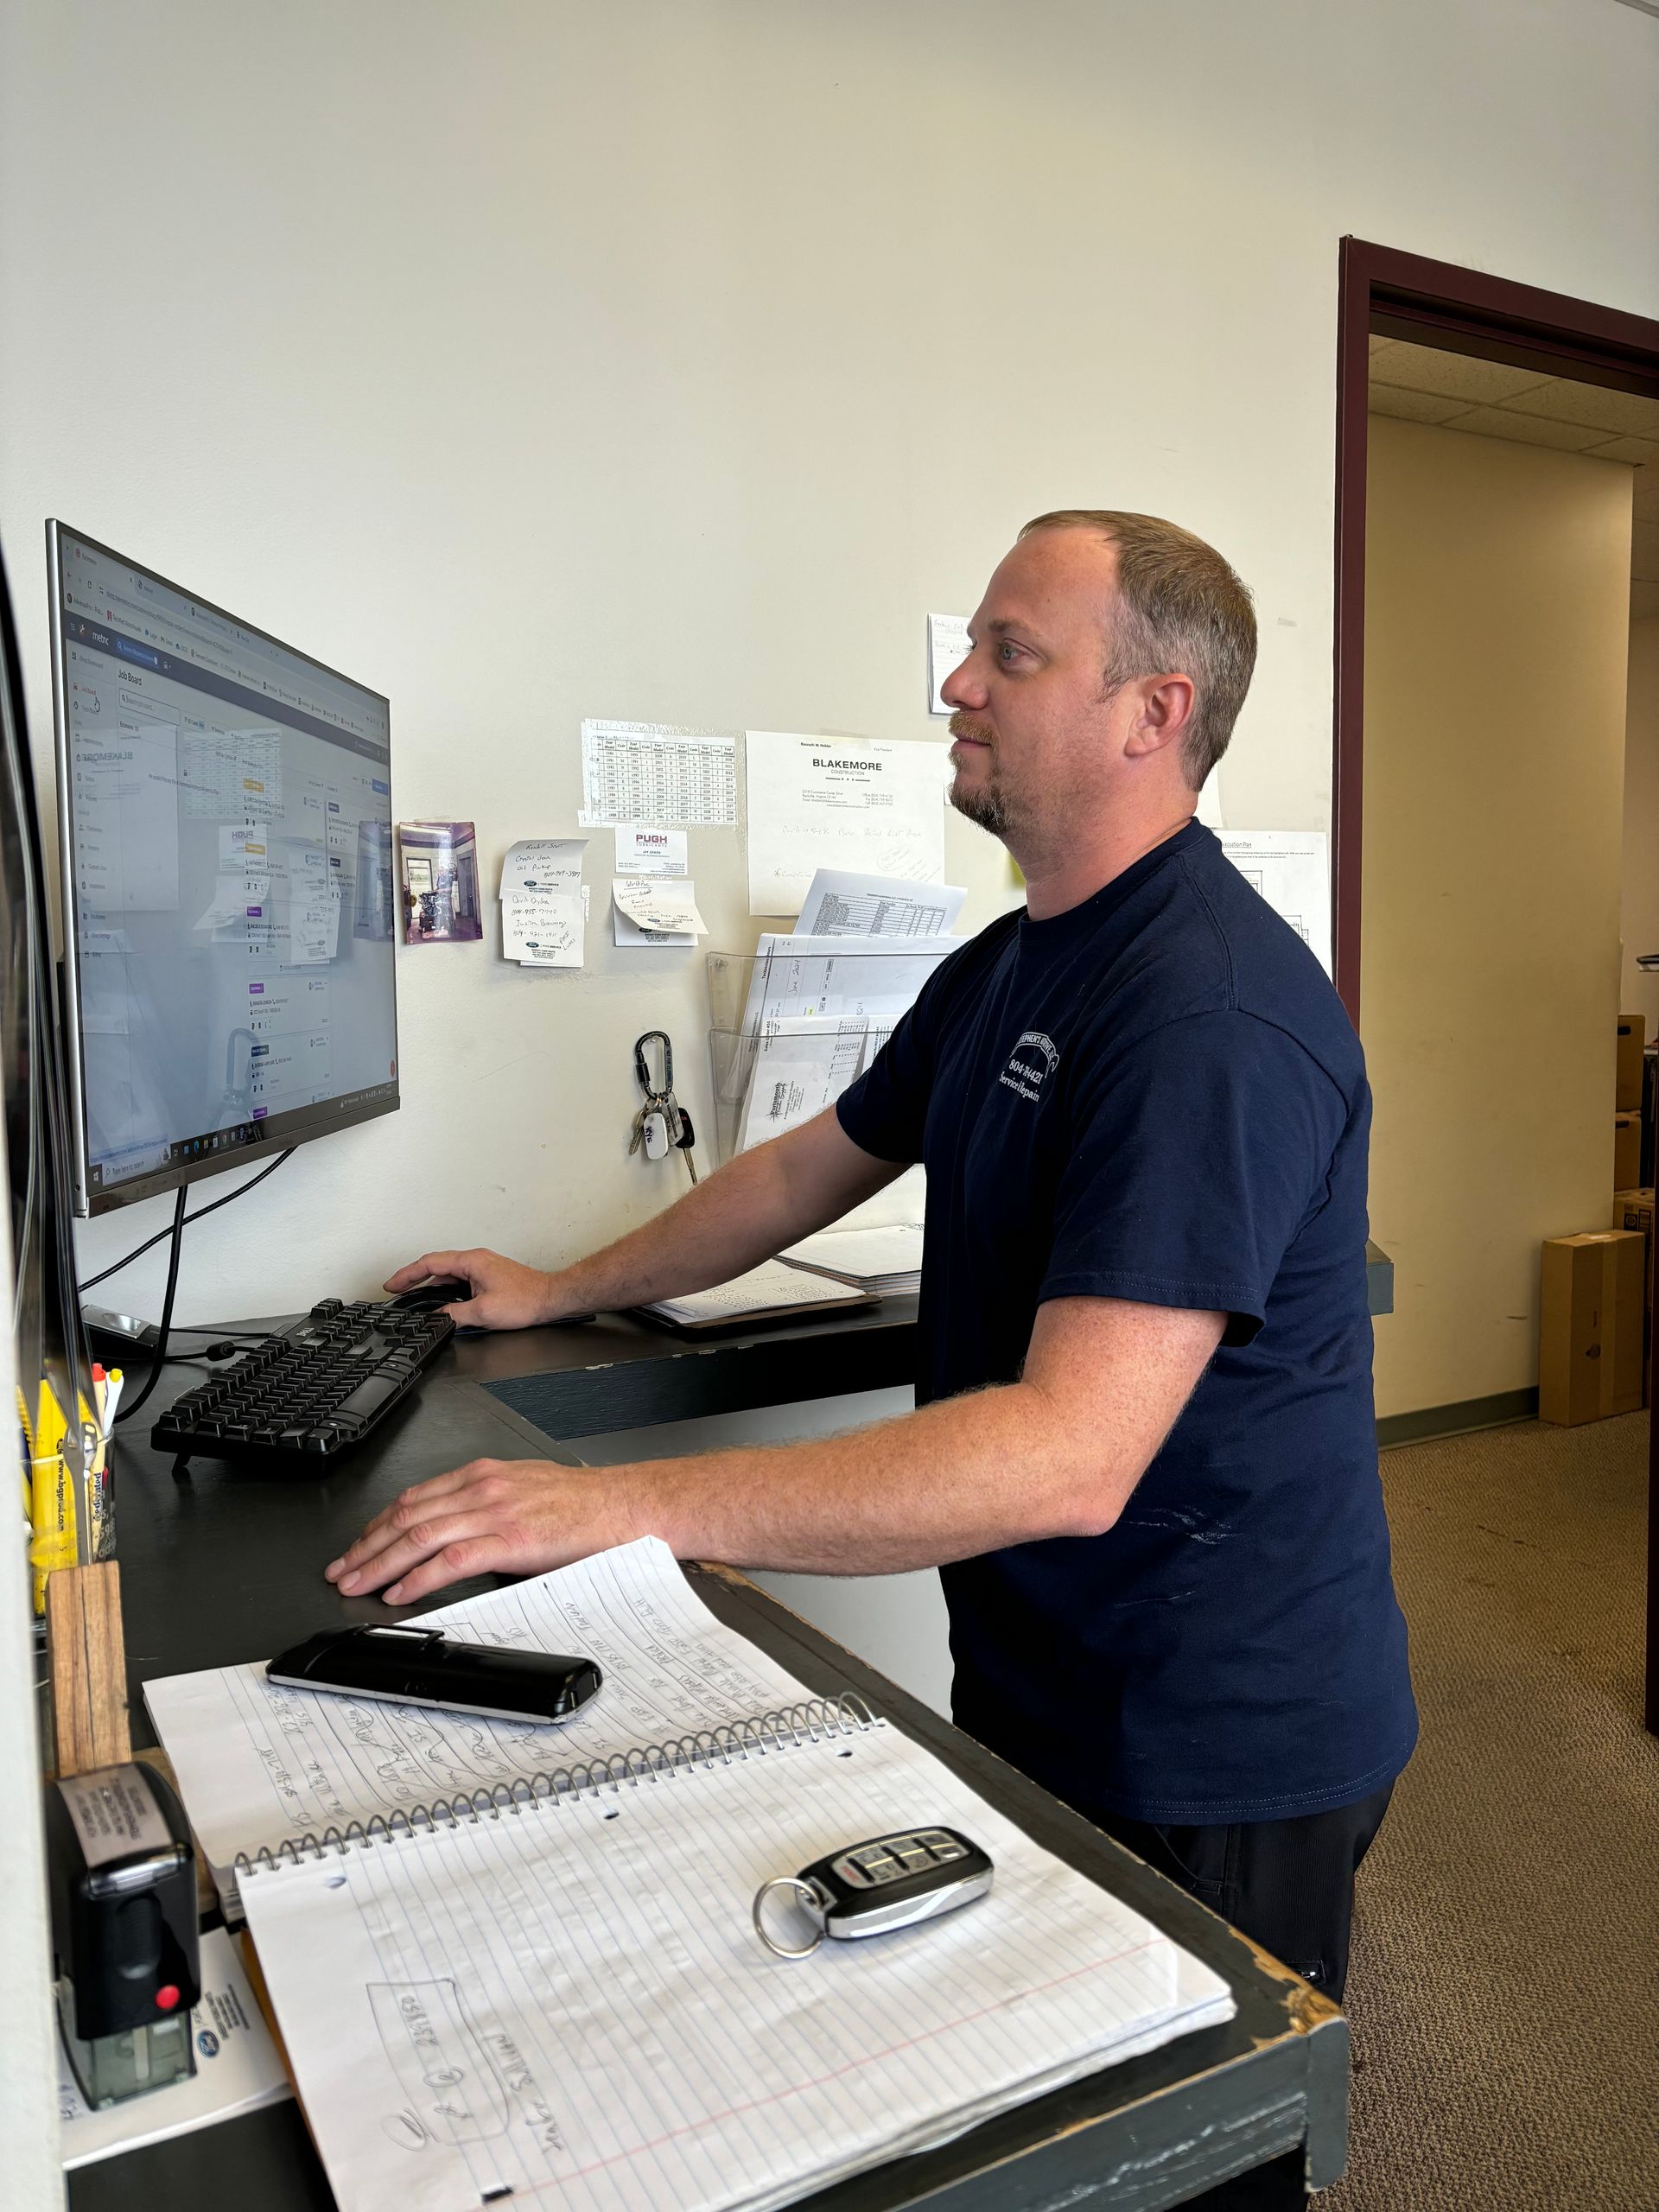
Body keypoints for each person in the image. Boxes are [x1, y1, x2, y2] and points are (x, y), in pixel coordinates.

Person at [327, 510, 1415, 2003]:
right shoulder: (1015, 958)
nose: (958, 686)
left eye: (1010, 653)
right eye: (972, 646)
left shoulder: (1204, 1017)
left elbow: (1066, 1457)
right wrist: (562, 1285)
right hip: (1048, 1668)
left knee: (1185, 2142)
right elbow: (801, 1166)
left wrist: (611, 1509)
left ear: (1153, 714)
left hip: (1211, 1732)